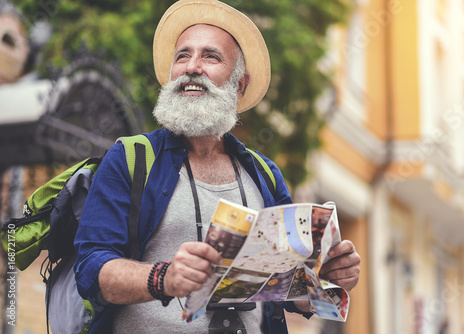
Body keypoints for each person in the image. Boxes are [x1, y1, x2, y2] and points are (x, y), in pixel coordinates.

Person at [73, 0, 361, 333]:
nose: (192, 67)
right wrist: (162, 277)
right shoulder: (130, 158)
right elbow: (90, 270)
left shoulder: (265, 175)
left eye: (210, 56)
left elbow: (287, 286)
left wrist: (323, 278)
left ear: (240, 84)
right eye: (182, 56)